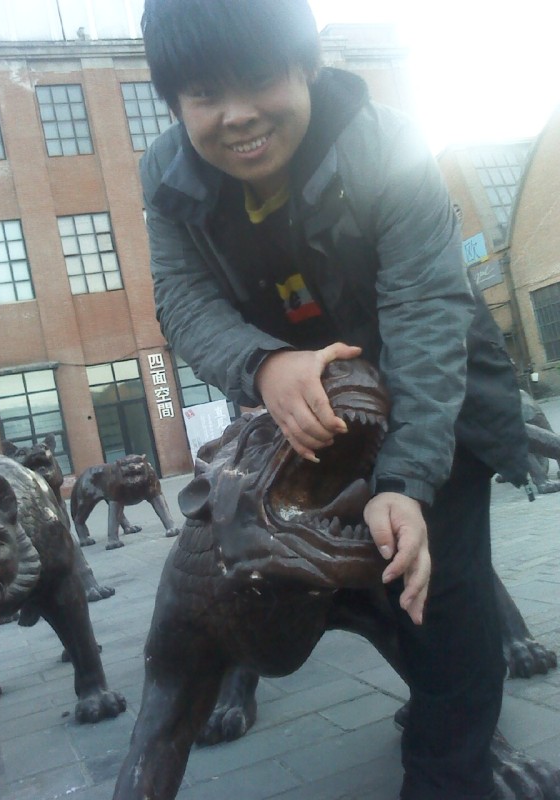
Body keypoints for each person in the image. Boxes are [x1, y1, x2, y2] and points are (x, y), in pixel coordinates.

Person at [138, 1, 529, 797]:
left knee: (441, 590)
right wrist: (263, 365)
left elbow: (424, 308)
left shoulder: (386, 144)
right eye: (205, 94)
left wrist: (407, 480)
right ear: (175, 101)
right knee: (347, 578)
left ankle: (449, 773)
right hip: (309, 411)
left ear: (307, 66)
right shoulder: (166, 174)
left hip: (431, 390)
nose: (238, 115)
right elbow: (179, 297)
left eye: (259, 79)